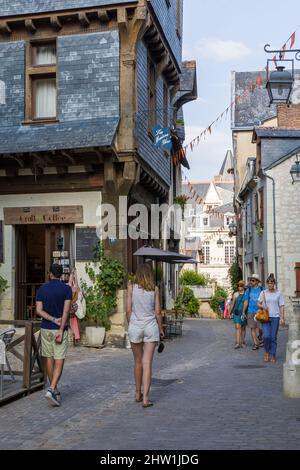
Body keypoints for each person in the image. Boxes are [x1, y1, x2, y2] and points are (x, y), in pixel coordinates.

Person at [126, 263, 164, 408]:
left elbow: (128, 310)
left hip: (135, 325)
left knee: (137, 361)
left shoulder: (131, 288)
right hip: (150, 327)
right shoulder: (154, 290)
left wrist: (132, 324)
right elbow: (158, 312)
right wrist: (160, 329)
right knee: (147, 362)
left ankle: (137, 393)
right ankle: (146, 398)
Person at [36, 263, 72, 407]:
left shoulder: (42, 289)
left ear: (50, 274)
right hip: (59, 329)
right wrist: (61, 329)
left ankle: (54, 390)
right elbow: (66, 311)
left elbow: (39, 310)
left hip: (46, 328)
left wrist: (51, 319)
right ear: (61, 274)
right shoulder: (66, 289)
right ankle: (52, 388)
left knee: (49, 359)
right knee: (59, 359)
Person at [257, 275, 285, 363]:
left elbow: (281, 306)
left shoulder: (279, 293)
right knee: (266, 336)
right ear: (267, 284)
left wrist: (282, 318)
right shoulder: (263, 293)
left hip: (275, 318)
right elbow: (258, 303)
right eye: (268, 283)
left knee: (273, 337)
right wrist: (263, 306)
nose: (270, 285)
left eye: (271, 283)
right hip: (265, 318)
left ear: (274, 284)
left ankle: (273, 355)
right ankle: (266, 352)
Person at [242, 274, 263, 351]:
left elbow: (265, 300)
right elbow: (246, 301)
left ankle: (260, 336)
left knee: (261, 328)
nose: (251, 282)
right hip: (251, 311)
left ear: (257, 281)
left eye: (253, 280)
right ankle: (256, 343)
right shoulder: (248, 290)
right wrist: (243, 311)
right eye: (250, 280)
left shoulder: (262, 289)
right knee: (252, 328)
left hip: (260, 312)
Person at [230, 281, 247, 349]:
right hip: (236, 312)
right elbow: (232, 304)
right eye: (238, 285)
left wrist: (243, 312)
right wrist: (230, 312)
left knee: (243, 328)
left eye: (241, 285)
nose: (239, 287)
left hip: (243, 313)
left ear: (243, 286)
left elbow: (246, 303)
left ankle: (242, 342)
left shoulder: (246, 294)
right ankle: (237, 343)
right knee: (237, 327)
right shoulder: (235, 294)